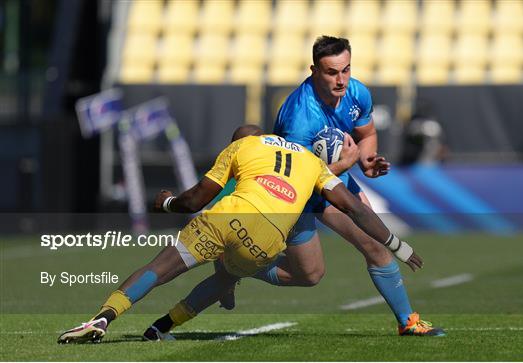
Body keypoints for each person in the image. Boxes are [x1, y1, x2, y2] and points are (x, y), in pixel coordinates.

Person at [57, 125, 429, 344]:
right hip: (265, 240)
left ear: (241, 140)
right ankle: (161, 327)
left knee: (160, 267)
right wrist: (397, 245)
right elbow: (355, 208)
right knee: (229, 273)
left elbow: (195, 200)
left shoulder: (241, 147)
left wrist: (168, 203)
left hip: (228, 217)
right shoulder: (310, 159)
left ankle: (103, 318)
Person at [221, 36, 445, 336]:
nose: (341, 80)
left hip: (333, 178)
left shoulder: (356, 92)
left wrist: (366, 161)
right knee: (333, 263)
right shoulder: (299, 118)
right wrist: (344, 165)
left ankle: (408, 322)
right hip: (297, 192)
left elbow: (366, 133)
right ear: (314, 70)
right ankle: (234, 265)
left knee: (344, 259)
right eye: (331, 72)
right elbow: (298, 177)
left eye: (346, 70)